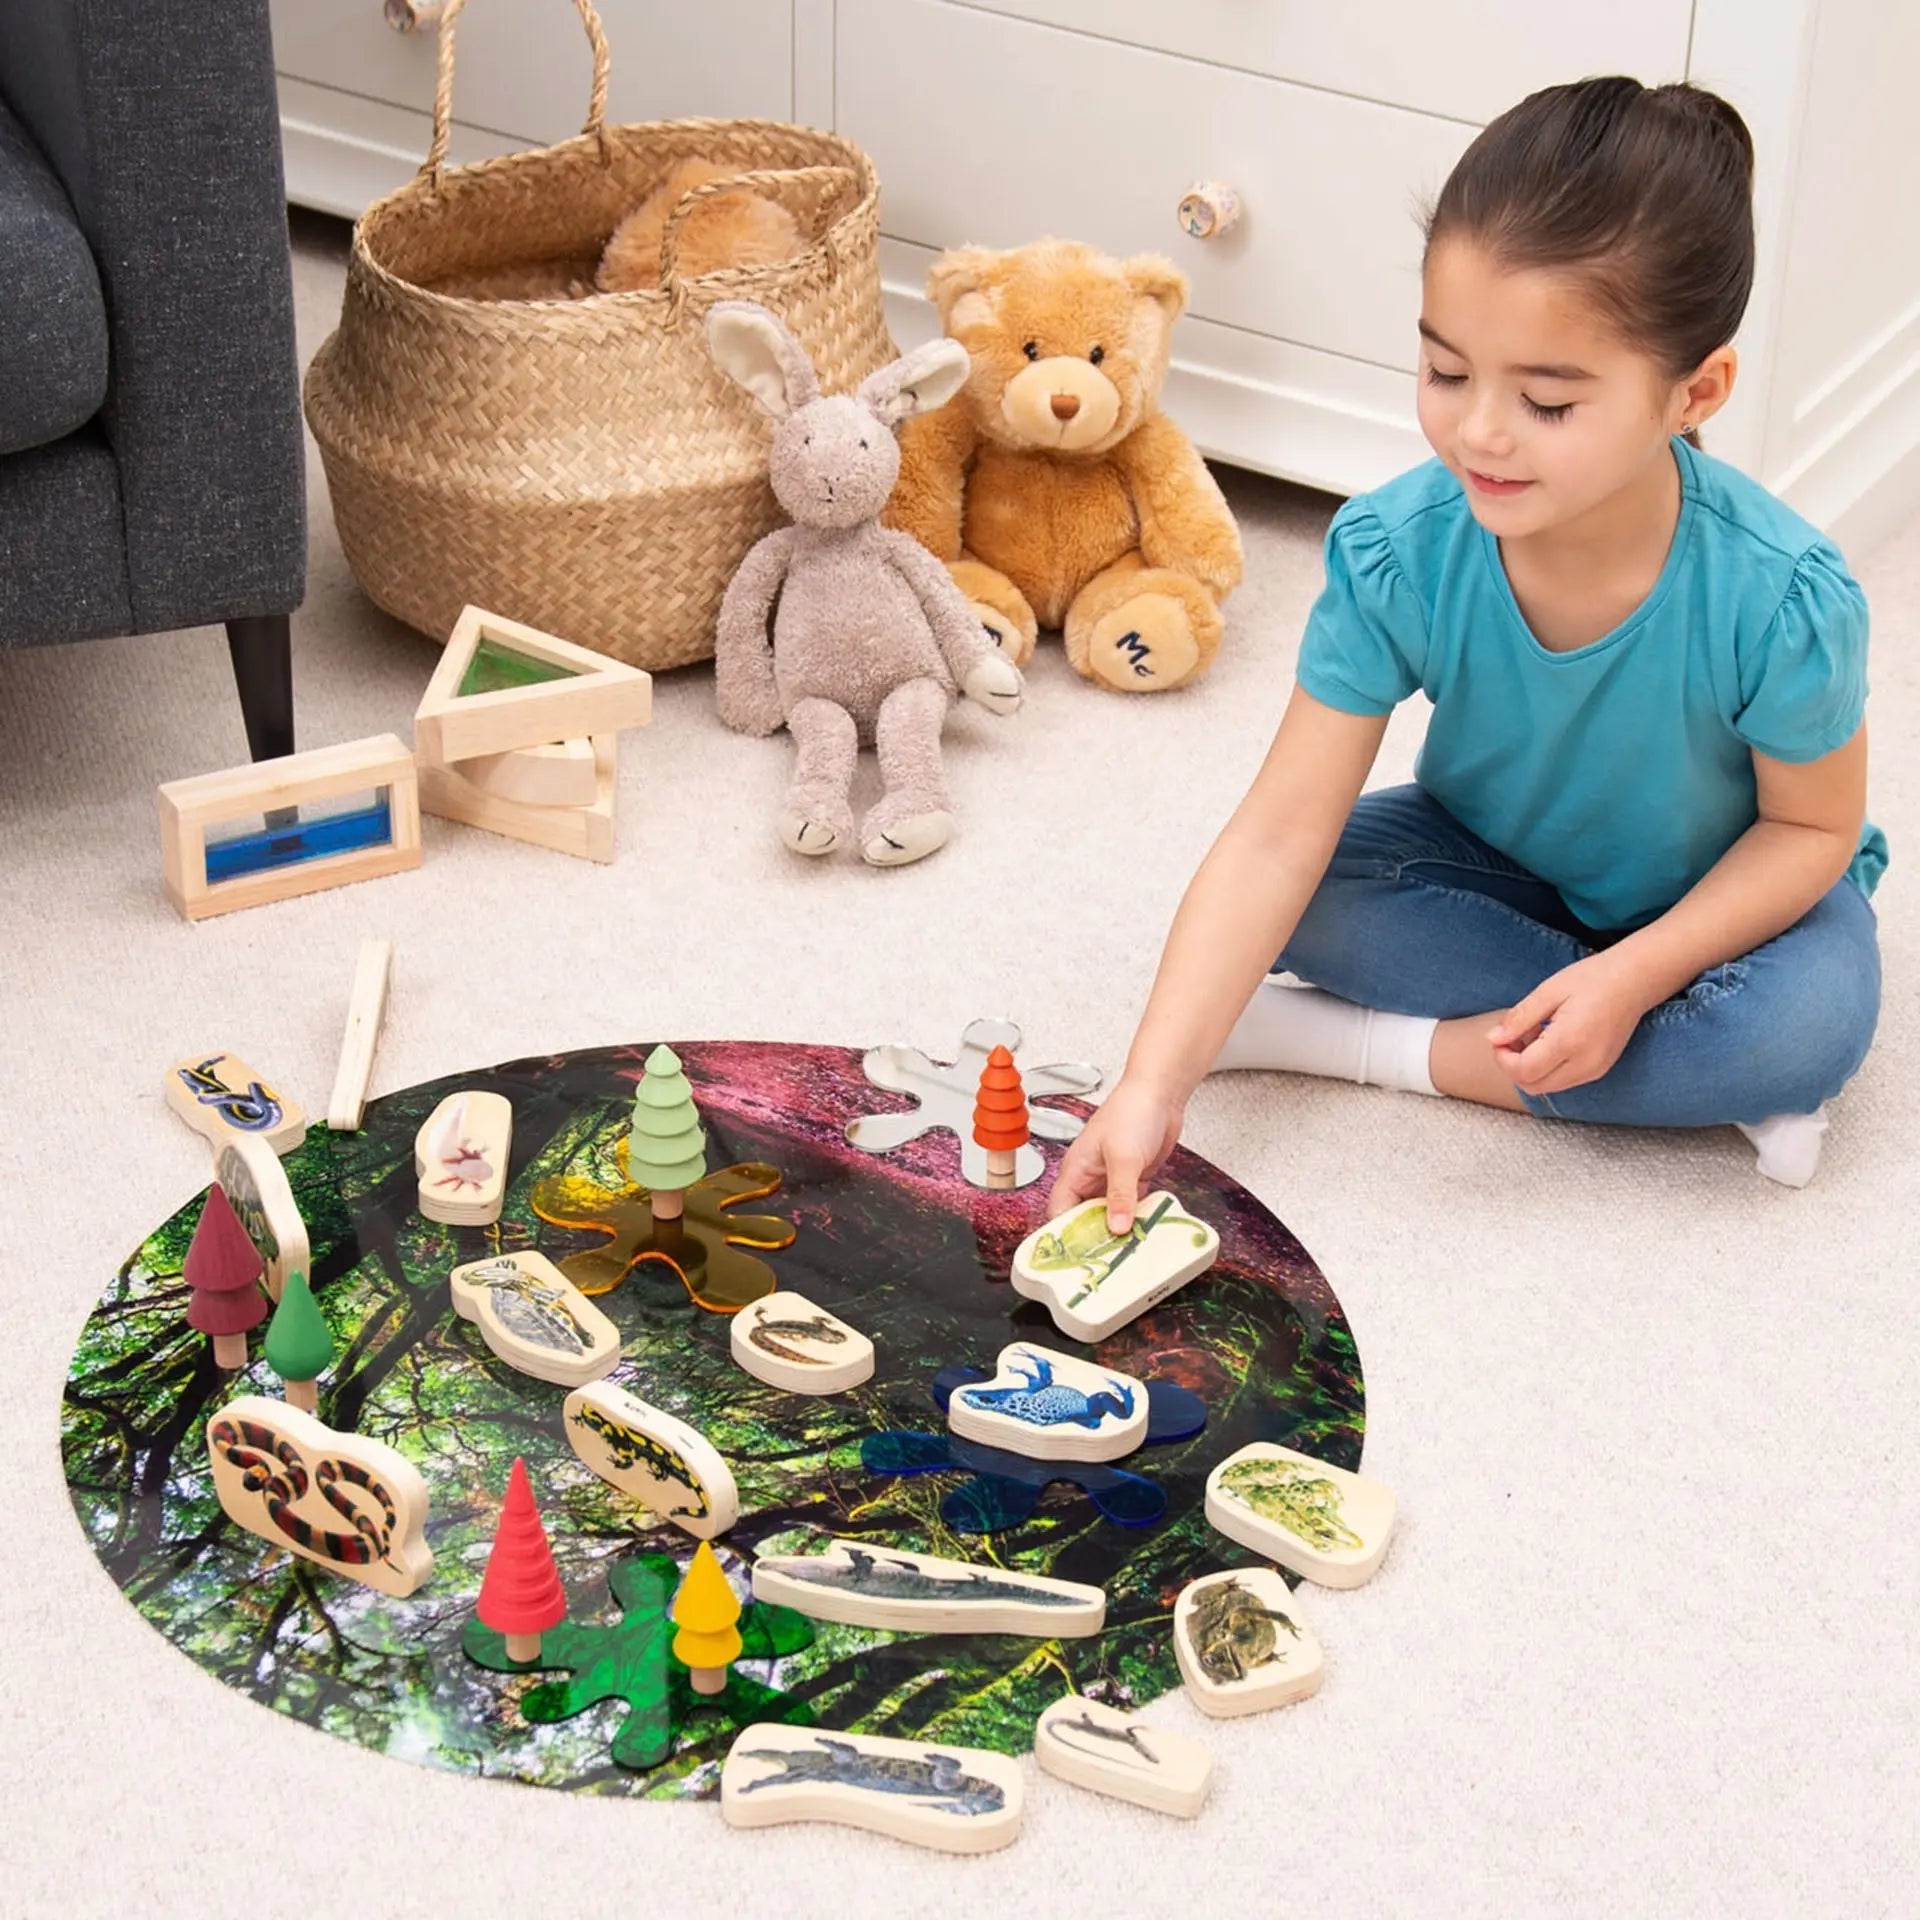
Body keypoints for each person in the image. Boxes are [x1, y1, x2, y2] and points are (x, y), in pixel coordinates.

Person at [1052, 76, 1883, 1221]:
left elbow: (1813, 830)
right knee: (1302, 897)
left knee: (1801, 1032)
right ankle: (1651, 1069)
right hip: (1495, 859)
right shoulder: (1400, 549)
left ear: (1697, 392)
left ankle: (1349, 1046)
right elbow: (1278, 836)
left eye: (1547, 402)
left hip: (1727, 899)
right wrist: (1152, 1086)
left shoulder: (1782, 594)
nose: (1478, 431)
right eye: (1446, 373)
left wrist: (1632, 976)